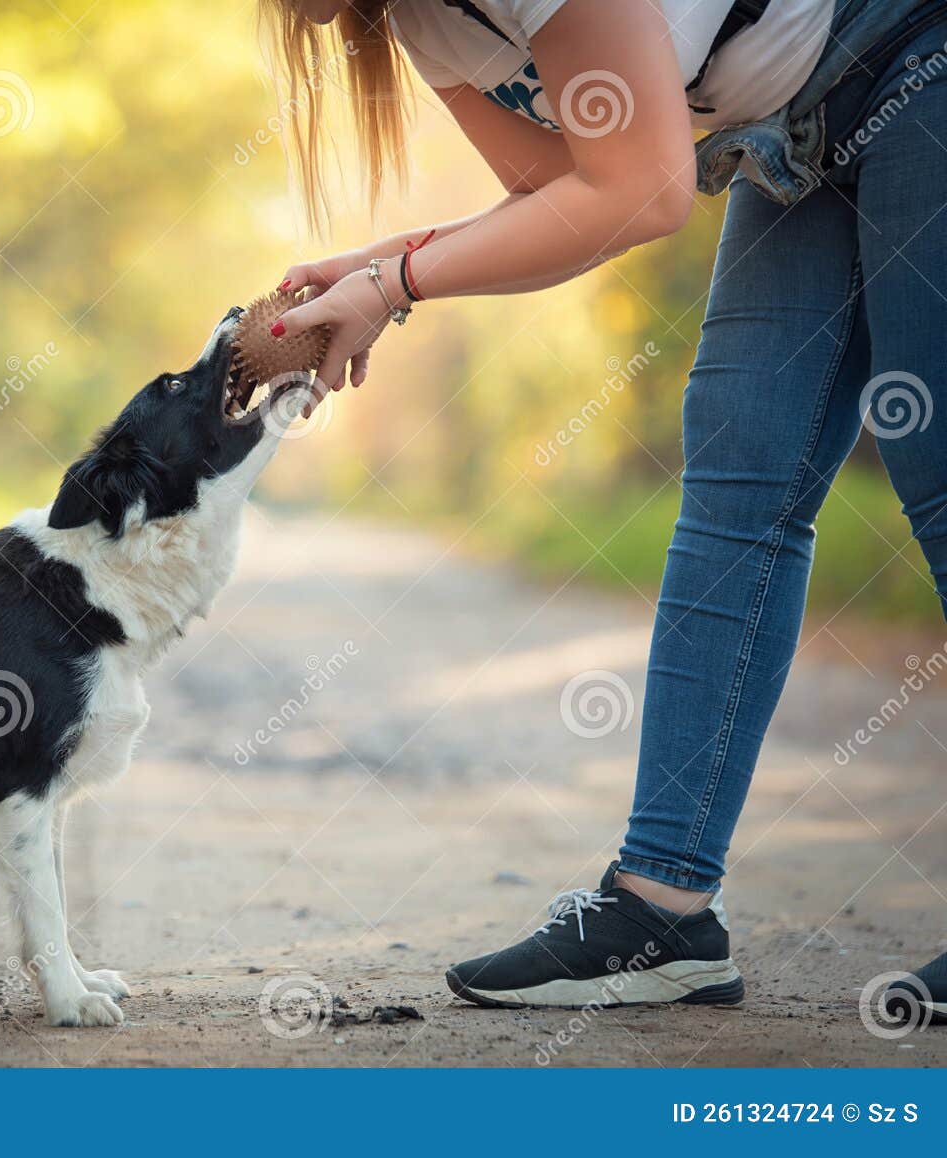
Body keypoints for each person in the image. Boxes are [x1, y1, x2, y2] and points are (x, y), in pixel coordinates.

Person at [258, 0, 947, 1020]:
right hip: (794, 122)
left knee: (931, 460)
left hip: (912, 51)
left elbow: (645, 192)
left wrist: (393, 281)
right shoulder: (421, 22)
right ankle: (660, 912)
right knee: (737, 476)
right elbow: (560, 192)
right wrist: (378, 277)